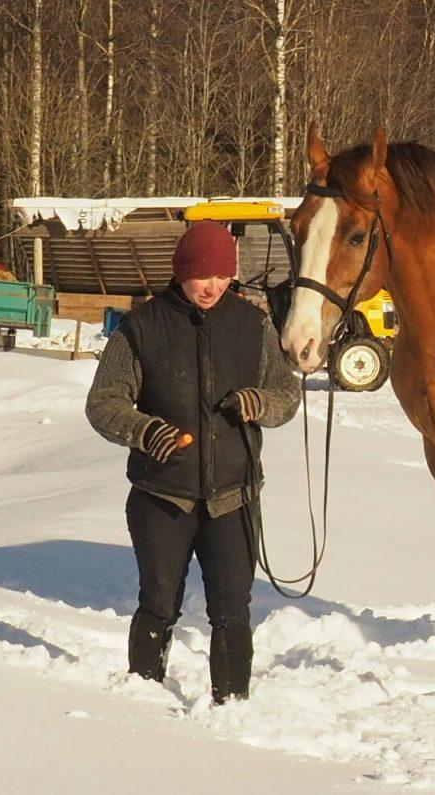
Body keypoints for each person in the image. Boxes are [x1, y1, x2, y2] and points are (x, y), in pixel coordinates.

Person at [86, 221, 300, 704]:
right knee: (159, 604)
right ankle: (143, 698)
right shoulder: (141, 328)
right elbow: (103, 403)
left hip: (234, 496)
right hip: (162, 497)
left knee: (232, 610)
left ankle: (232, 704)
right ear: (182, 271)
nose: (213, 286)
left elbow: (287, 395)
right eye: (203, 275)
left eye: (223, 276)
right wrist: (141, 430)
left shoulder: (253, 325)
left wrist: (260, 403)